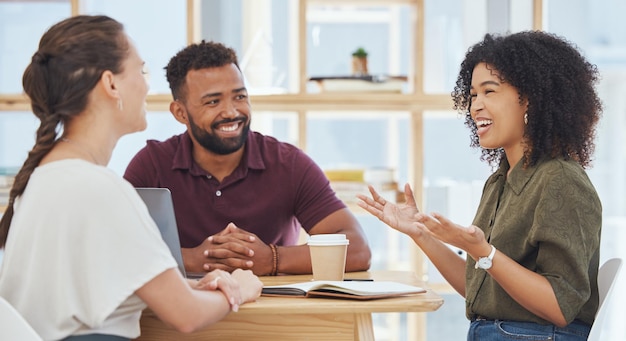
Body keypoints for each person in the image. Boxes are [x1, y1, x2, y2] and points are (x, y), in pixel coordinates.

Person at [0, 15, 262, 341]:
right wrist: (241, 289)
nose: (147, 84)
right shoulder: (101, 190)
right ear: (111, 84)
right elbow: (185, 314)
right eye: (141, 71)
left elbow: (86, 290)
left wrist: (191, 286)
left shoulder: (41, 180)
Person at [358, 30, 602, 340]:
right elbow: (480, 290)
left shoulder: (561, 180)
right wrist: (421, 235)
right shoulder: (501, 180)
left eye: (490, 91)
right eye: (473, 95)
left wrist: (482, 250)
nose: (476, 106)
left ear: (530, 99)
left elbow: (559, 305)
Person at [123, 41, 371, 276]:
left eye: (240, 97)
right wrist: (192, 259)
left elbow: (358, 249)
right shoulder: (152, 164)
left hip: (275, 317)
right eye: (213, 101)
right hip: (182, 316)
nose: (231, 112)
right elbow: (113, 247)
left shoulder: (290, 164)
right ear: (180, 113)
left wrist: (272, 259)